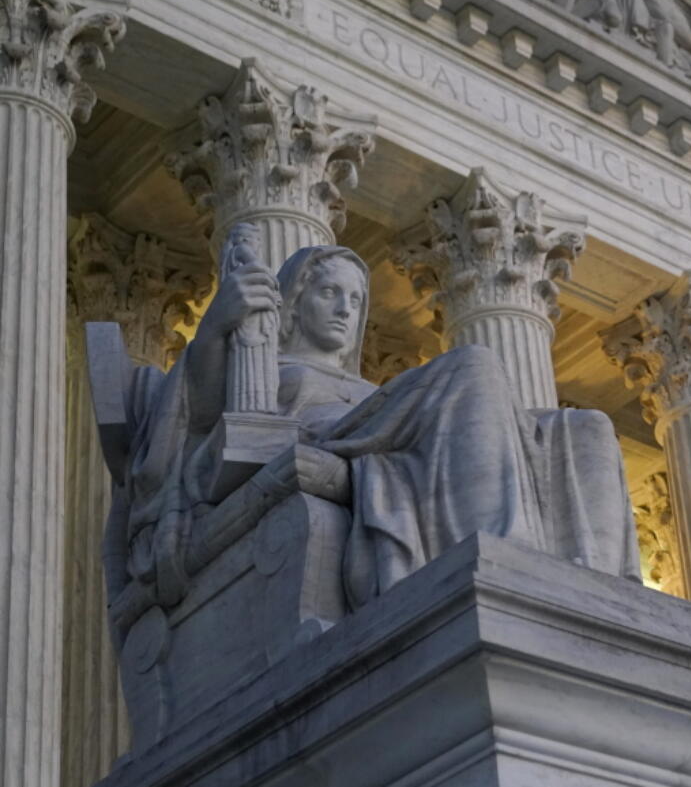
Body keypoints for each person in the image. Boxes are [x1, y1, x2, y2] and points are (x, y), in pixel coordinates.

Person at [114, 227, 639, 613]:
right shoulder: (260, 363)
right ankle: (511, 563)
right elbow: (199, 423)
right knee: (474, 365)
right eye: (329, 293)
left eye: (356, 299)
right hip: (328, 440)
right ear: (293, 306)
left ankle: (598, 597)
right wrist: (215, 330)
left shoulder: (376, 391)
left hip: (387, 441)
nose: (346, 308)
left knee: (586, 427)